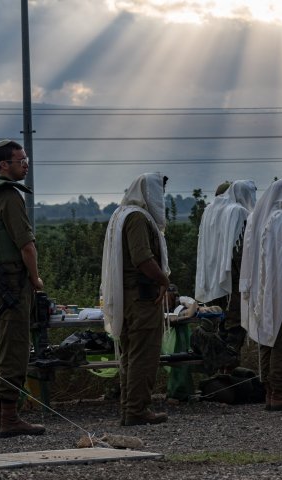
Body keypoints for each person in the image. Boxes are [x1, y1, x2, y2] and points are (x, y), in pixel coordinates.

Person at [0, 139, 45, 437]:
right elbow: (27, 246)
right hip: (13, 283)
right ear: (5, 164)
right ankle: (10, 418)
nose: (26, 164)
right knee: (14, 350)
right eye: (21, 159)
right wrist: (36, 279)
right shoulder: (9, 195)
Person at [101, 173, 170, 426]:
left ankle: (130, 409)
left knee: (131, 355)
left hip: (129, 298)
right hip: (141, 299)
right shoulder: (138, 218)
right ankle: (137, 409)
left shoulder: (123, 214)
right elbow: (142, 258)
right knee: (143, 356)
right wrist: (164, 280)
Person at [239, 179, 282, 411]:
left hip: (262, 290)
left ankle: (270, 390)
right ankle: (280, 392)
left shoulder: (258, 220)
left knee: (266, 338)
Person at [194, 180, 257, 368]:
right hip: (234, 280)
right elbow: (240, 251)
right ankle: (227, 375)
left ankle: (219, 376)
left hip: (214, 280)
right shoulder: (238, 212)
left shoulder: (210, 210)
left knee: (220, 327)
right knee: (235, 327)